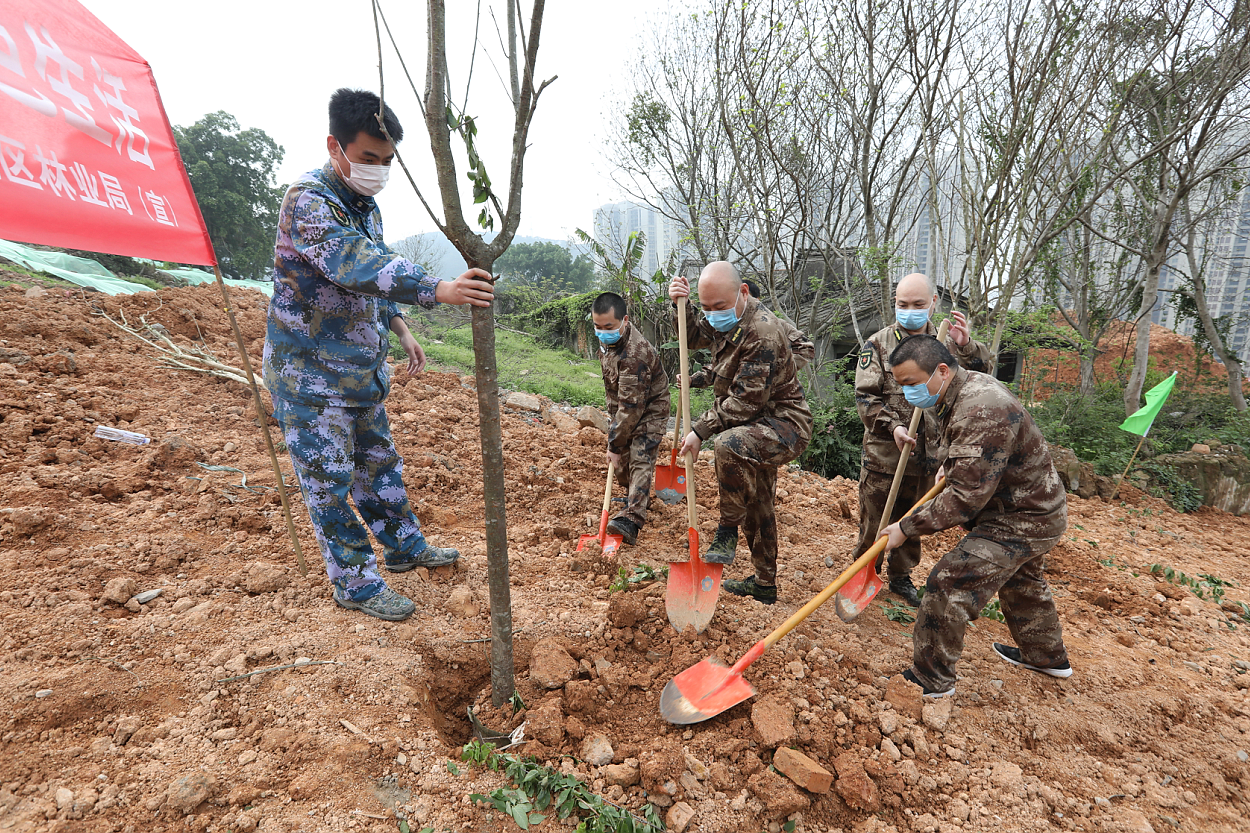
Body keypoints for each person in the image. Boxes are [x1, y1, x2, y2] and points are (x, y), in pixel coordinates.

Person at [263, 88, 495, 622]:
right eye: (369, 159)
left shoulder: (365, 205)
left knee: (378, 465)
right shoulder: (309, 202)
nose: (379, 171)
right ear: (335, 146)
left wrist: (400, 326)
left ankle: (404, 546)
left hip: (359, 372)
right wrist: (438, 288)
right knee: (330, 484)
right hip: (311, 379)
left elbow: (374, 278)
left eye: (387, 162)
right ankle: (356, 583)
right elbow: (354, 264)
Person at [881, 335, 1071, 698]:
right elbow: (965, 452)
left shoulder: (982, 406)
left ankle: (932, 680)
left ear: (940, 370)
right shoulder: (957, 389)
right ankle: (1046, 656)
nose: (907, 394)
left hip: (1023, 516)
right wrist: (950, 467)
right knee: (1022, 582)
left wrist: (905, 528)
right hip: (1027, 505)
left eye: (910, 384)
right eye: (901, 385)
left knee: (950, 583)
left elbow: (966, 499)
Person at [669, 262, 813, 605]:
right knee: (758, 501)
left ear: (743, 293)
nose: (713, 314)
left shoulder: (762, 332)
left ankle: (726, 530)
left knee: (728, 445)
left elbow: (746, 402)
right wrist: (682, 305)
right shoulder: (727, 318)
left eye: (718, 307)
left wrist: (700, 429)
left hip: (784, 424)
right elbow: (692, 337)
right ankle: (764, 584)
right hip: (752, 424)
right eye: (707, 308)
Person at [853, 272, 993, 606]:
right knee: (874, 521)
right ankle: (861, 573)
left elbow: (980, 376)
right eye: (902, 304)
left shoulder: (947, 343)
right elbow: (865, 397)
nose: (909, 310)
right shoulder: (877, 344)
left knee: (913, 519)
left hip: (932, 455)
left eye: (918, 304)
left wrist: (966, 345)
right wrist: (892, 427)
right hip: (886, 455)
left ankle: (901, 577)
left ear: (933, 303)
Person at [591, 292, 671, 545]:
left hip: (650, 408)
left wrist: (613, 443)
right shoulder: (608, 343)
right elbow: (614, 393)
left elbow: (631, 408)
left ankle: (633, 520)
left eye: (609, 327)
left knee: (639, 456)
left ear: (624, 320)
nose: (603, 332)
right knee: (622, 461)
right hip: (626, 406)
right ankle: (633, 496)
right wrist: (616, 436)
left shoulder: (635, 354)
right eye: (597, 327)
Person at [686, 279, 814, 388]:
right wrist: (695, 380)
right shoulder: (725, 325)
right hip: (732, 395)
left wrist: (773, 371)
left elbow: (806, 348)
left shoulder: (770, 326)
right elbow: (724, 366)